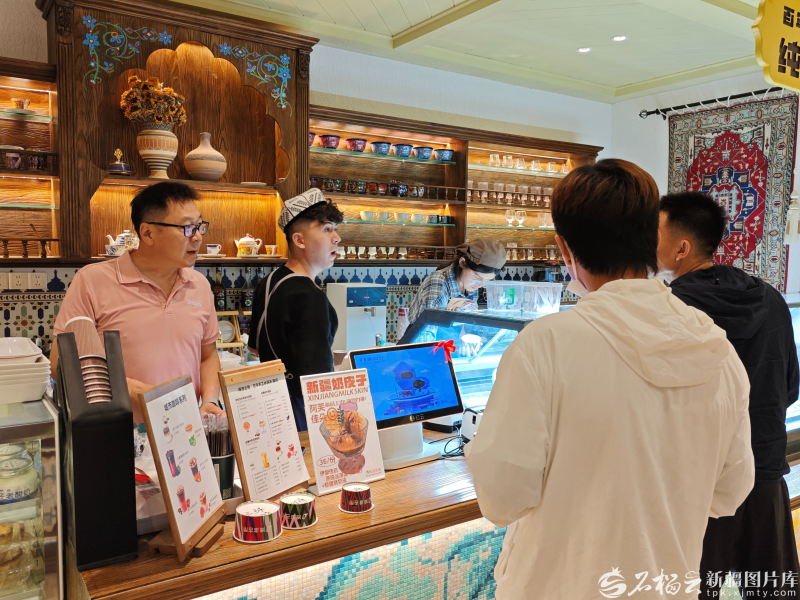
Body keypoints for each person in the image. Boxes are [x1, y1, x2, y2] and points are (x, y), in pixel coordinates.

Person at [464, 159, 754, 599]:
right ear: (651, 238)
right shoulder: (718, 349)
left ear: (565, 249)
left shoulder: (545, 344)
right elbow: (730, 491)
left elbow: (503, 498)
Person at [658, 191, 800, 598]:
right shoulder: (770, 297)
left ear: (681, 248)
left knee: (694, 589)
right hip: (765, 472)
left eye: (652, 234)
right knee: (772, 590)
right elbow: (790, 387)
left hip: (700, 483)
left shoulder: (670, 309)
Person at [52, 182, 224, 428]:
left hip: (184, 430)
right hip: (116, 431)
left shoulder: (200, 285)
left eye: (199, 226)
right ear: (148, 233)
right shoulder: (92, 281)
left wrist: (209, 400)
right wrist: (134, 391)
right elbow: (60, 364)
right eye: (187, 228)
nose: (197, 237)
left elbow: (207, 356)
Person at [248, 189, 343, 431]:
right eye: (327, 229)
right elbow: (317, 378)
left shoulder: (269, 281)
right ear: (299, 240)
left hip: (272, 408)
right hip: (302, 415)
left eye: (335, 229)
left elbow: (254, 348)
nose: (337, 237)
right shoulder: (309, 296)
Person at [396, 239, 506, 340]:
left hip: (449, 345)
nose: (480, 285)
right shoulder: (438, 284)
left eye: (486, 281)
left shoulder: (471, 285)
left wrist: (468, 340)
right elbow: (426, 335)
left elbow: (464, 322)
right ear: (462, 263)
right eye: (477, 277)